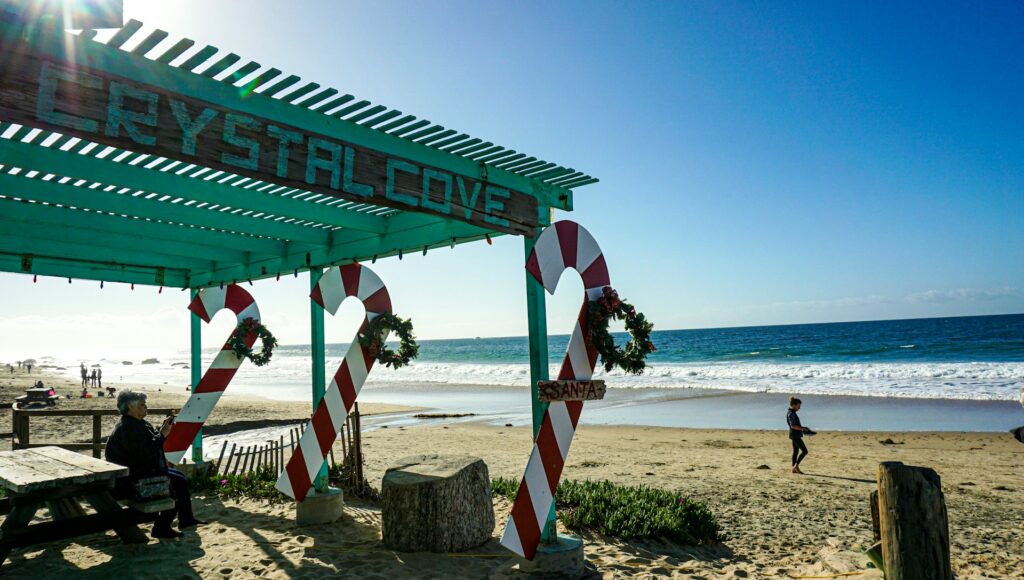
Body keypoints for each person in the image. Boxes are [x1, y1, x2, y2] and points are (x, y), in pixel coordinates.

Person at [105, 390, 204, 538]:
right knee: (176, 483)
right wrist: (163, 434)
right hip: (133, 479)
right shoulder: (129, 427)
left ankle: (186, 519)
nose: (146, 407)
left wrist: (162, 431)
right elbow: (145, 453)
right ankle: (162, 527)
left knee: (180, 477)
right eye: (142, 405)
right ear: (130, 407)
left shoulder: (133, 423)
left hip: (136, 472)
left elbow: (147, 443)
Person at [787, 396, 812, 474]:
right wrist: (803, 428)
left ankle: (794, 468)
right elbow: (793, 426)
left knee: (796, 451)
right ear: (794, 405)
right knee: (805, 451)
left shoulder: (792, 412)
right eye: (799, 406)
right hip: (795, 435)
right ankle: (796, 466)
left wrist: (803, 428)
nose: (799, 408)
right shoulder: (791, 413)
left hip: (794, 434)